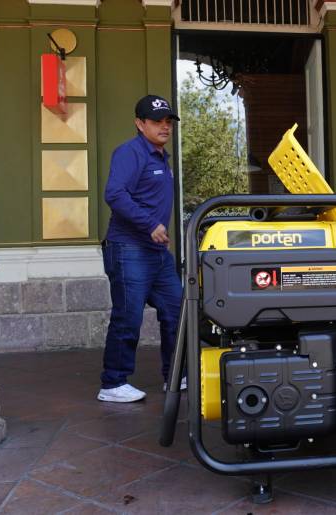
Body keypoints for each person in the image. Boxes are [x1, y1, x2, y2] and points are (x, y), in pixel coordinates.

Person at [97, 94, 185, 403]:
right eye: (156, 122)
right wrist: (150, 224)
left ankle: (176, 376)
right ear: (139, 123)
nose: (164, 127)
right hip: (128, 248)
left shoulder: (162, 157)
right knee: (128, 315)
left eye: (167, 122)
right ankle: (113, 383)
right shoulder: (130, 152)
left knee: (176, 311)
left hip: (156, 253)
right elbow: (115, 194)